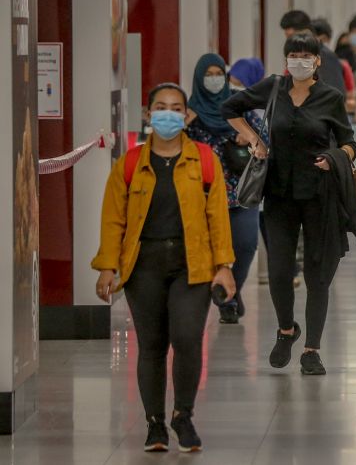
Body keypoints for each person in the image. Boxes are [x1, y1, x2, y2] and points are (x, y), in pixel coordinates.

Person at [93, 83, 235, 453]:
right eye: (160, 107)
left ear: (186, 116)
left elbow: (218, 216)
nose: (168, 114)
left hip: (193, 264)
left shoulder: (204, 160)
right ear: (148, 115)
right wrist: (108, 266)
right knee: (152, 346)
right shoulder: (129, 164)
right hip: (144, 266)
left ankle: (182, 415)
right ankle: (155, 424)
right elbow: (113, 219)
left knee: (187, 339)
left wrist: (224, 266)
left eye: (175, 108)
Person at [222, 32, 356, 377]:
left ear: (317, 61)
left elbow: (350, 142)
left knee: (317, 274)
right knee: (281, 271)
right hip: (279, 195)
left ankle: (312, 349)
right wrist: (255, 139)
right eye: (292, 55)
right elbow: (231, 107)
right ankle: (287, 330)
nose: (298, 60)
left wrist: (333, 157)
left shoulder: (330, 97)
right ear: (285, 59)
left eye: (305, 55)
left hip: (319, 196)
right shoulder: (274, 88)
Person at [184, 53, 266, 325]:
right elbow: (167, 144)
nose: (215, 79)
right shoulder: (189, 112)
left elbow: (265, 143)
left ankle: (231, 291)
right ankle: (227, 300)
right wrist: (184, 121)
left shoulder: (238, 106)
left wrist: (248, 138)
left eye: (219, 73)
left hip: (241, 191)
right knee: (208, 249)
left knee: (245, 244)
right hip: (203, 195)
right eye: (208, 74)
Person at [280, 10, 347, 96]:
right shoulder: (294, 58)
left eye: (292, 37)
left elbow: (335, 94)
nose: (291, 43)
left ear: (306, 32)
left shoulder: (326, 56)